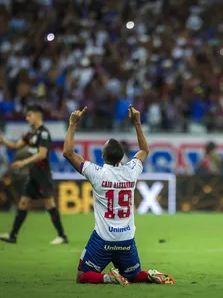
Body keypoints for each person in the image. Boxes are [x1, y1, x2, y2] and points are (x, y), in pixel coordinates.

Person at [63, 105, 175, 285]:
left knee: (82, 277)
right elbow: (145, 150)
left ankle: (108, 277)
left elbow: (68, 153)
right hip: (126, 239)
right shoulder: (131, 171)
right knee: (132, 276)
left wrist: (72, 124)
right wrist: (137, 123)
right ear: (122, 157)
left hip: (103, 239)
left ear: (102, 155)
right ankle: (149, 275)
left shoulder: (96, 173)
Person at [0, 105, 68, 244]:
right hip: (33, 175)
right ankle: (13, 235)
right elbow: (15, 146)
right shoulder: (30, 134)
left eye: (29, 115)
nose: (27, 118)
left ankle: (62, 236)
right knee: (23, 202)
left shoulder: (43, 133)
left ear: (37, 115)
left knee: (49, 204)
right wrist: (3, 141)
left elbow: (42, 155)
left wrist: (23, 162)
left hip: (42, 175)